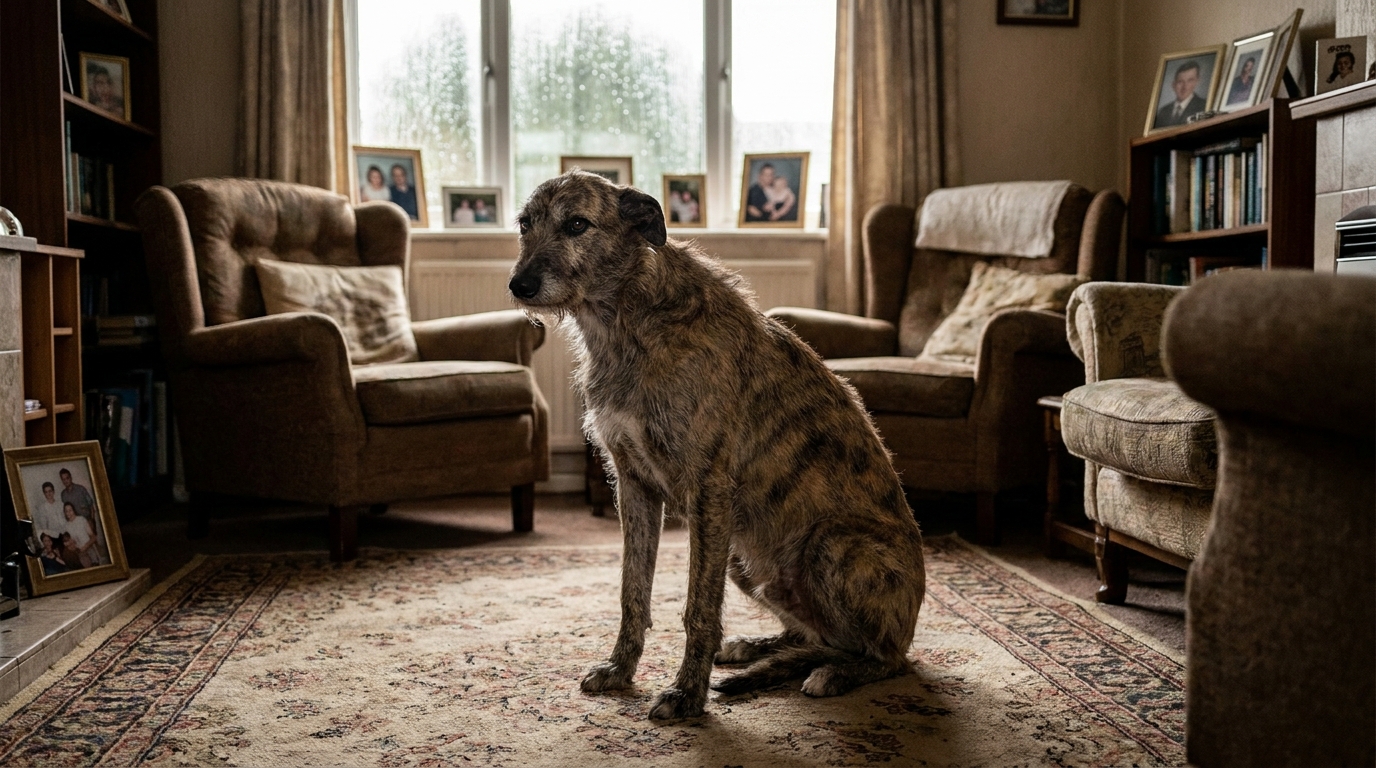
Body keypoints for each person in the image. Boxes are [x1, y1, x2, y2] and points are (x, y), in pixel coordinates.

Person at [1155, 60, 1207, 128]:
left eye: (1190, 81)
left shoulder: (1204, 106)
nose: (1185, 87)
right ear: (1173, 85)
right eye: (1180, 82)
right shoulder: (1163, 111)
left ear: (1197, 82)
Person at [61, 503, 98, 568]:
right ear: (64, 513)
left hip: (89, 548)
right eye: (66, 511)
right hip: (80, 552)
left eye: (70, 510)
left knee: (96, 566)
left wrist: (86, 546)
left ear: (74, 510)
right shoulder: (66, 526)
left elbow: (93, 537)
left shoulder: (81, 519)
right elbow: (68, 542)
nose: (68, 513)